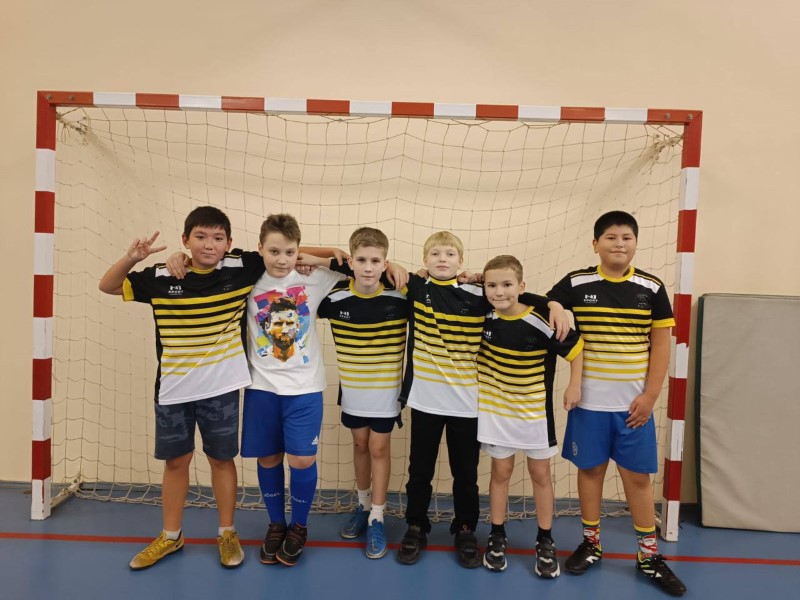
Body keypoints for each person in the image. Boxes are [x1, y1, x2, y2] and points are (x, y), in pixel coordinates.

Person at [98, 206, 264, 570]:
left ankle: (227, 532)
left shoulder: (242, 267)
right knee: (176, 462)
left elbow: (286, 253)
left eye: (218, 238)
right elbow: (107, 285)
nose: (209, 244)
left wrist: (337, 255)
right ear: (185, 240)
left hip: (221, 390)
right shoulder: (161, 275)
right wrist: (133, 257)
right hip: (173, 390)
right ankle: (171, 536)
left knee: (221, 460)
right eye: (200, 237)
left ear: (229, 243)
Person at [396, 232, 569, 569]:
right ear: (424, 260)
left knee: (465, 473)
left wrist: (553, 303)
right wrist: (391, 264)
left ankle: (465, 529)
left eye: (450, 254)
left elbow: (515, 295)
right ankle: (416, 526)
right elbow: (367, 269)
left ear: (461, 261)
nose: (442, 259)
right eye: (435, 253)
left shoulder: (478, 294)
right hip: (426, 402)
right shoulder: (415, 287)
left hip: (467, 405)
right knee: (419, 470)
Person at [547, 211, 686, 596]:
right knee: (590, 471)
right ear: (596, 244)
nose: (619, 243)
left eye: (627, 237)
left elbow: (661, 345)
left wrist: (651, 396)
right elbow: (545, 300)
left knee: (638, 478)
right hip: (589, 405)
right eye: (610, 237)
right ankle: (591, 544)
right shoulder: (578, 282)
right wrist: (555, 305)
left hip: (633, 408)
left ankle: (649, 556)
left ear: (636, 244)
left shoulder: (651, 287)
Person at [477, 255, 584, 578]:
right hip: (496, 412)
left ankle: (545, 539)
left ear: (521, 287)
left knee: (540, 474)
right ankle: (497, 534)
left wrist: (574, 385)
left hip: (534, 414)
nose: (499, 292)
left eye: (507, 284)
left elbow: (577, 350)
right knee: (501, 472)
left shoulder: (542, 320)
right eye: (491, 285)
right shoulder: (482, 316)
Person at [314, 227, 409, 559]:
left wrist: (397, 266)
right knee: (359, 445)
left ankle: (377, 517)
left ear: (385, 263)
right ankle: (363, 505)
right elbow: (295, 258)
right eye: (362, 260)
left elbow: (439, 285)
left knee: (379, 448)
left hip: (386, 393)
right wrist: (332, 255)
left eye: (376, 261)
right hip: (354, 391)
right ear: (350, 262)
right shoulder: (334, 296)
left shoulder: (401, 295)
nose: (368, 268)